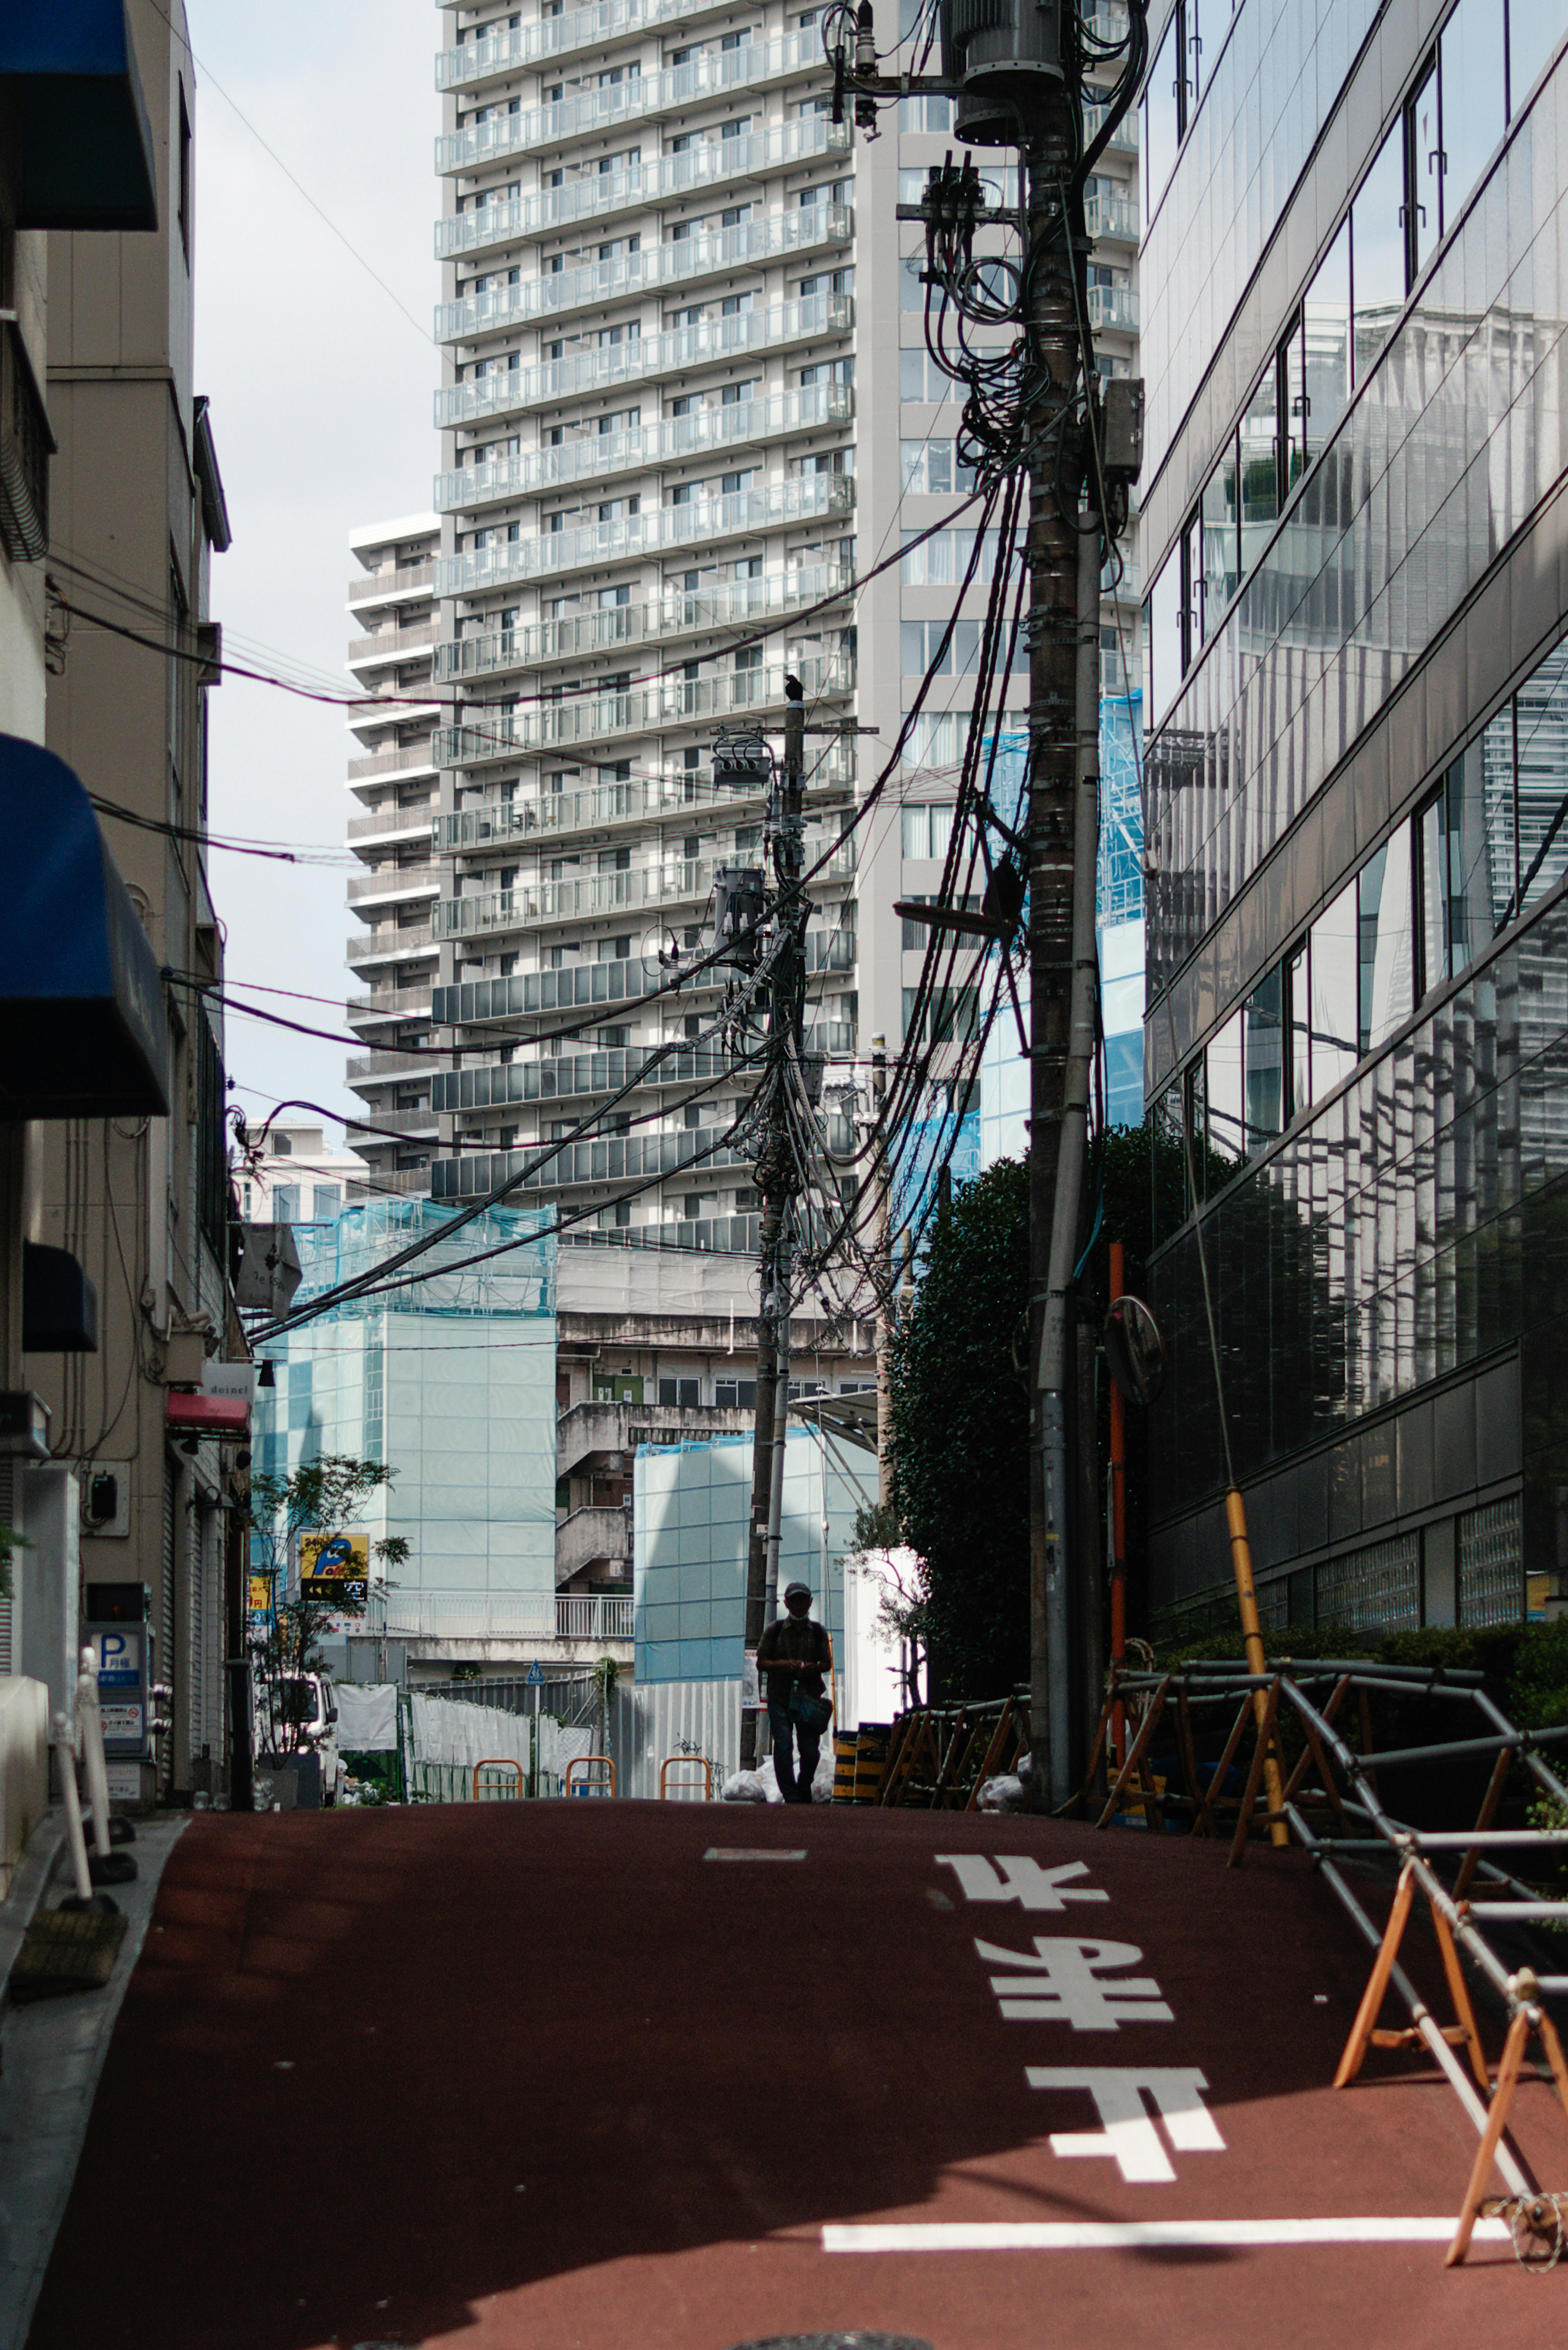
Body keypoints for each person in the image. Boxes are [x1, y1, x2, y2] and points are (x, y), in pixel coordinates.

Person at [757, 1581, 833, 1804]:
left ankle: (803, 1787)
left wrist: (810, 1667)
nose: (800, 1605)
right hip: (780, 1698)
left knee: (810, 1751)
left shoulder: (818, 1631)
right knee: (783, 1745)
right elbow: (761, 1663)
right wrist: (784, 1665)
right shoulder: (775, 1630)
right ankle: (791, 1795)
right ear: (787, 1603)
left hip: (808, 1700)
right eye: (795, 1600)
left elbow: (826, 1663)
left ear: (810, 1603)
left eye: (803, 1600)